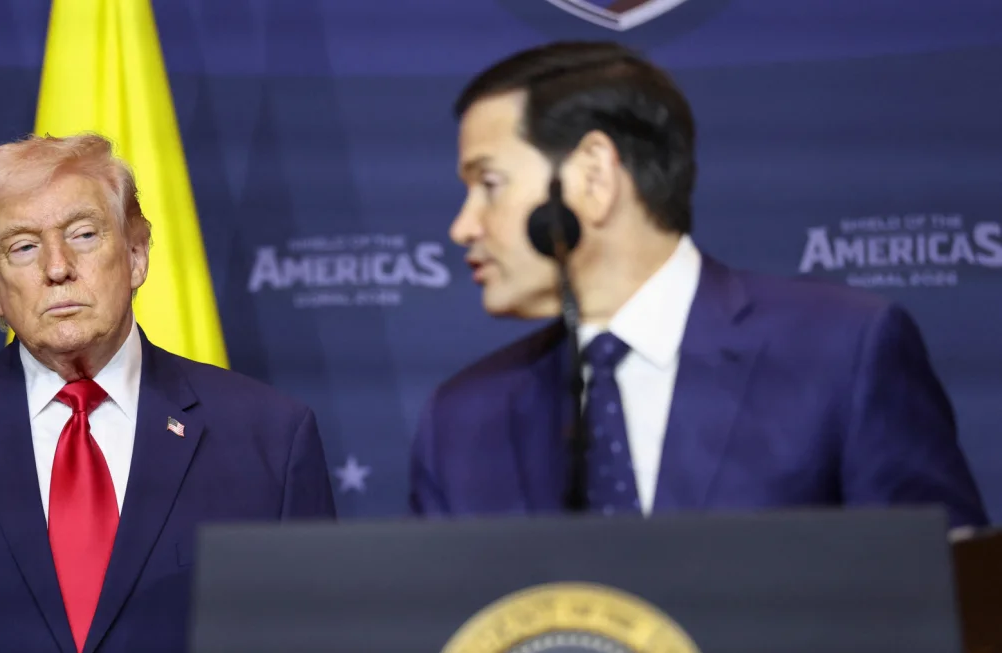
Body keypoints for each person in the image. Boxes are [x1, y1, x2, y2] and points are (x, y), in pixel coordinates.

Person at [408, 41, 988, 529]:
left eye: (489, 184)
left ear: (594, 176)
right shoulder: (463, 420)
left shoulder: (840, 353)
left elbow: (943, 595)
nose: (463, 227)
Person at [0, 133, 337, 653]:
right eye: (24, 246)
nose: (57, 268)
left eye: (83, 234)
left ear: (136, 254)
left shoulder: (270, 439)